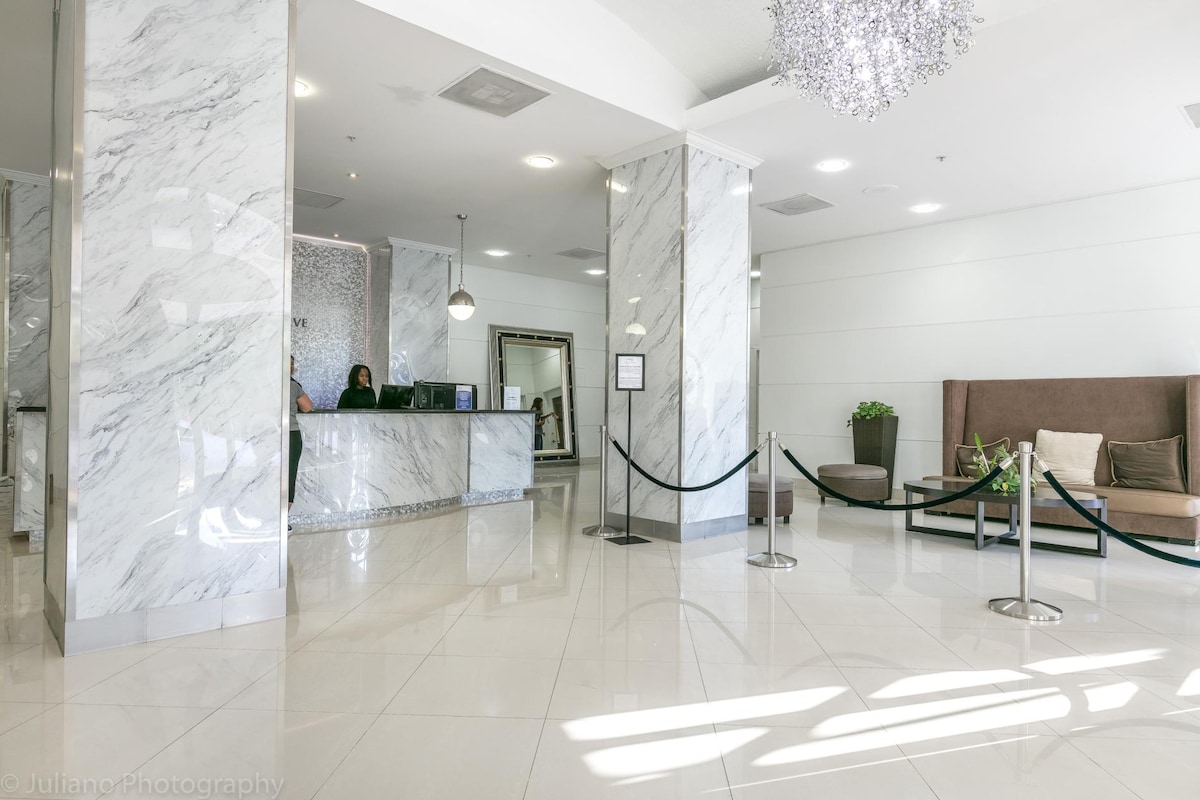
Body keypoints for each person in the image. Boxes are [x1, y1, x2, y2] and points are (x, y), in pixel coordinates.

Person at [289, 356, 313, 530]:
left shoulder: (263, 383)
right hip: (291, 434)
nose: (292, 366)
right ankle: (282, 520)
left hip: (269, 436)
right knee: (289, 477)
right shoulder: (293, 386)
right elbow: (307, 407)